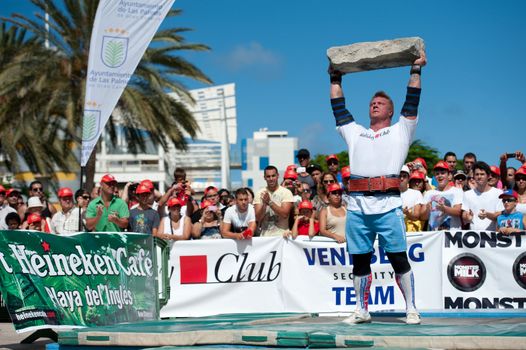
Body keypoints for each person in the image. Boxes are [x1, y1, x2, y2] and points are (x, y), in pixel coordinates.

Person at [329, 50, 426, 325]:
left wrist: (416, 70)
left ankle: (411, 308)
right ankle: (361, 309)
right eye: (372, 102)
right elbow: (338, 108)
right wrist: (335, 77)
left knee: (398, 259)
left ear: (390, 111)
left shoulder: (401, 130)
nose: (374, 105)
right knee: (359, 262)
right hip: (358, 207)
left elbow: (412, 102)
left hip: (388, 206)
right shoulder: (356, 132)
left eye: (380, 103)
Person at [461, 162, 504, 231]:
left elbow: (500, 216)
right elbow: (464, 214)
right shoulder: (467, 194)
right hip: (474, 236)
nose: (479, 177)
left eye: (482, 174)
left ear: (489, 176)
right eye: (477, 174)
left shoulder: (499, 193)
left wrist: (487, 215)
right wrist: (467, 217)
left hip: (493, 236)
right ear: (474, 176)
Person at [421, 161, 463, 230]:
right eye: (437, 174)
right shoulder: (429, 193)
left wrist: (444, 209)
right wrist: (427, 210)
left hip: (452, 237)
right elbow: (422, 217)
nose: (440, 176)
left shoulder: (457, 191)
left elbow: (458, 212)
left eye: (443, 173)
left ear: (449, 176)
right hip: (433, 236)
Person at [254, 166, 294, 237]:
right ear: (264, 178)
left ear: (278, 176)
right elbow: (258, 218)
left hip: (282, 236)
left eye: (273, 176)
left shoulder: (286, 192)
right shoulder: (259, 193)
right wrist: (264, 205)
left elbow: (285, 214)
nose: (271, 179)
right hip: (265, 236)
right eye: (268, 176)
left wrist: (270, 202)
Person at [400, 166, 425, 232]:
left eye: (404, 176)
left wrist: (407, 213)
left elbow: (416, 216)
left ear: (408, 179)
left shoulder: (416, 193)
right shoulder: (390, 194)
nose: (402, 178)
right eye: (400, 176)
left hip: (410, 232)